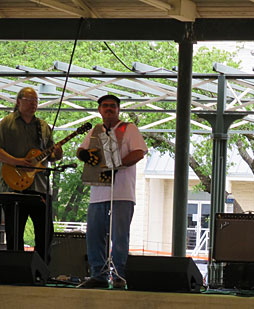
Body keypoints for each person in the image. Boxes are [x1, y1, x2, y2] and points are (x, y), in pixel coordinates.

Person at [78, 94, 147, 289]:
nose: (109, 109)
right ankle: (98, 274)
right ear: (99, 109)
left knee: (119, 236)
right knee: (94, 234)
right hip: (98, 192)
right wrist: (82, 154)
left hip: (122, 192)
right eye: (105, 106)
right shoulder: (95, 130)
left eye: (113, 106)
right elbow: (82, 149)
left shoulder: (128, 129)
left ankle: (119, 275)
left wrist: (117, 164)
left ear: (118, 109)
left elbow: (139, 152)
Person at [0, 87, 62, 263]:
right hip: (13, 186)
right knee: (14, 232)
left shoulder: (42, 126)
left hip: (39, 186)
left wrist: (57, 153)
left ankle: (40, 271)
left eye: (36, 100)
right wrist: (17, 161)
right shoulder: (6, 124)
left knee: (45, 233)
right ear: (19, 101)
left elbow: (50, 155)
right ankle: (15, 270)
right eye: (29, 99)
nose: (34, 103)